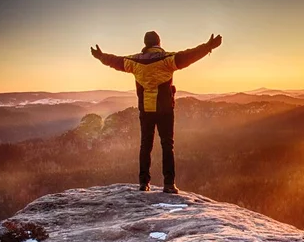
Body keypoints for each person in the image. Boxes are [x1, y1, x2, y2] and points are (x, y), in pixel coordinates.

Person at [90, 31, 222, 193]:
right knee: (167, 145)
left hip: (146, 109)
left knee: (146, 146)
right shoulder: (167, 59)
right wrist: (208, 47)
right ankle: (169, 184)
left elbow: (115, 61)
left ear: (145, 44)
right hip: (165, 109)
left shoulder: (134, 61)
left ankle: (143, 183)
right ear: (158, 43)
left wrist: (101, 56)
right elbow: (189, 55)